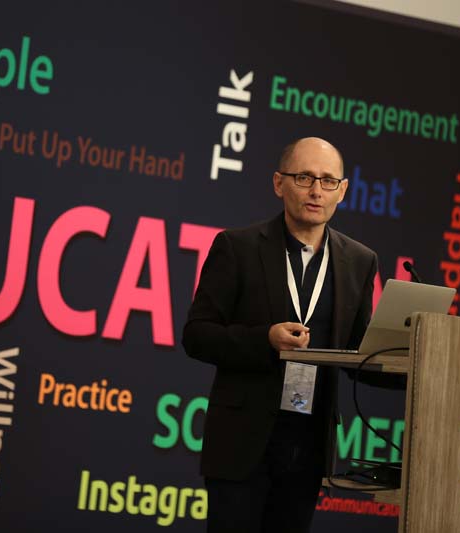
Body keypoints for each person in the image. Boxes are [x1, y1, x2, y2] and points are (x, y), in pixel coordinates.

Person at [182, 137, 378, 532]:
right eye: (304, 177)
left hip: (307, 446)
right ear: (278, 183)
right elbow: (197, 335)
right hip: (241, 444)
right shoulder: (237, 247)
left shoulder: (360, 261)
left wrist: (418, 358)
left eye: (327, 181)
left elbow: (360, 354)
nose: (316, 190)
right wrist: (265, 340)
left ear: (342, 191)